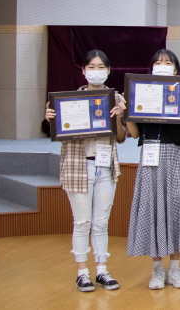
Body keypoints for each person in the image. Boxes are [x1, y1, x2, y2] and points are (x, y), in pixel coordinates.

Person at [125, 49, 180, 290]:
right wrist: (128, 110)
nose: (162, 65)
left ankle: (174, 268)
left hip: (176, 156)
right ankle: (156, 269)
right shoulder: (141, 92)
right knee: (152, 209)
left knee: (177, 209)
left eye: (167, 62)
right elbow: (134, 133)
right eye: (158, 62)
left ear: (176, 70)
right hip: (150, 156)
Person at [44, 49, 126, 292]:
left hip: (105, 167)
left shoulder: (116, 99)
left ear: (108, 71)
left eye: (101, 67)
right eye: (91, 67)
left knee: (101, 223)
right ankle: (82, 273)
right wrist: (52, 119)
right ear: (83, 70)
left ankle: (102, 271)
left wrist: (119, 116)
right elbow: (59, 133)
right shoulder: (68, 101)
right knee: (82, 222)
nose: (96, 71)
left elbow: (121, 138)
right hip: (78, 167)